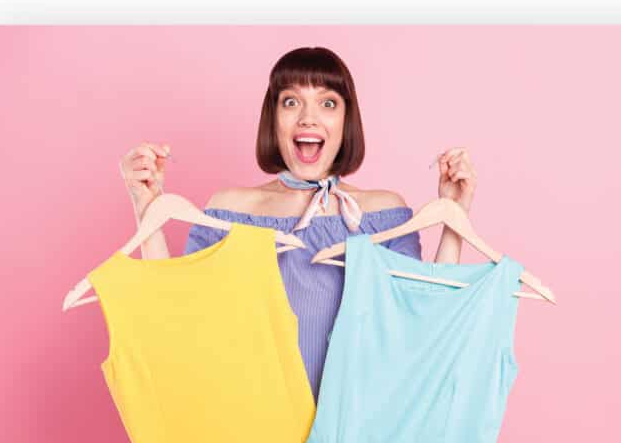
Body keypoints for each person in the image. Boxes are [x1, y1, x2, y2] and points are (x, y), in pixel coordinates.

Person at [118, 47, 477, 401]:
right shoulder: (229, 209)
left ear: (346, 120)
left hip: (353, 435)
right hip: (255, 432)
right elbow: (178, 315)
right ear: (273, 120)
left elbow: (424, 322)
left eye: (328, 103)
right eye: (291, 102)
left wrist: (453, 216)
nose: (308, 117)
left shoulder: (382, 212)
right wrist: (148, 207)